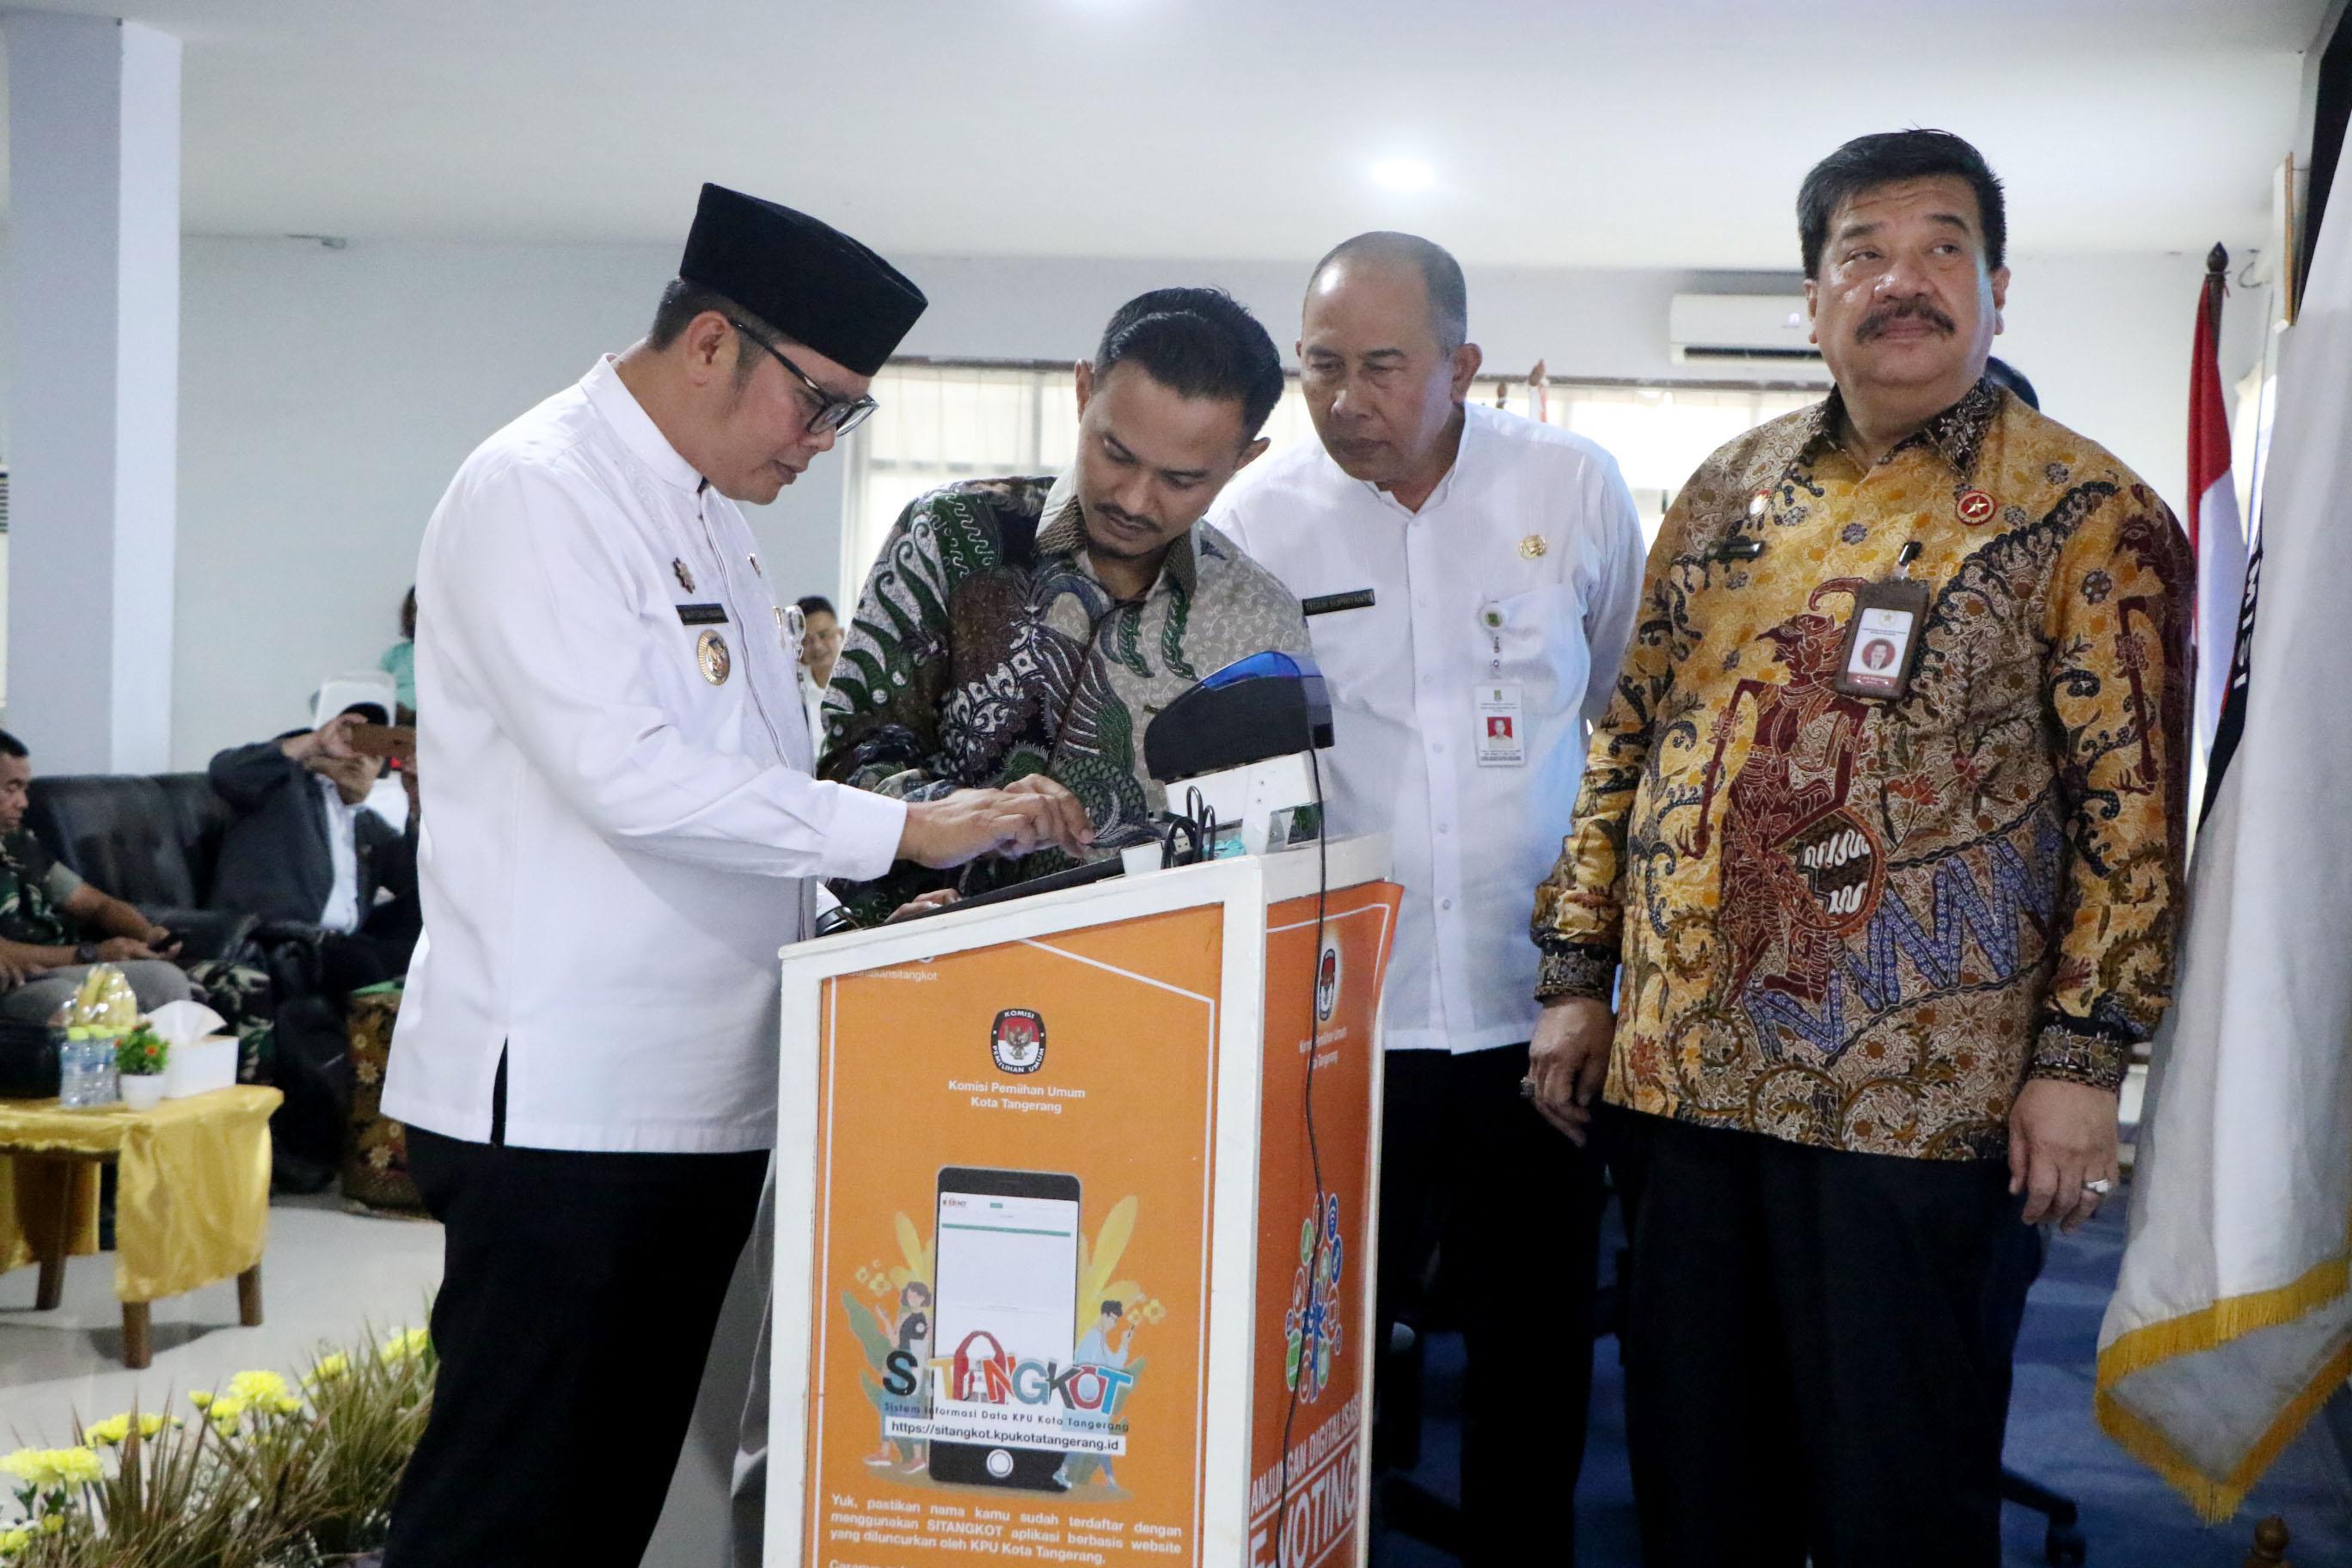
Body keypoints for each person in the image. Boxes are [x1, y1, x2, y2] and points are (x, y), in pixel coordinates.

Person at [377, 184, 1077, 1568]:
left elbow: (758, 779)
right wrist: (905, 832)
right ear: (710, 343)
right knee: (506, 1513)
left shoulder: (706, 511)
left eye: (848, 418)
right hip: (567, 1104)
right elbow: (624, 773)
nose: (820, 443)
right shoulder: (540, 490)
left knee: (603, 1504)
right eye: (816, 404)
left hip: (697, 1093)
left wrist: (888, 908)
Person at [1527, 130, 2190, 1567]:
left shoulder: (2090, 512)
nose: (1905, 281)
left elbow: (2130, 816)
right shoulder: (1728, 490)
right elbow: (1631, 740)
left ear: (1997, 288)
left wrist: (2084, 1065)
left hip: (1924, 1107)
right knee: (1699, 1480)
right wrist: (1576, 975)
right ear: (1813, 299)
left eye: (1944, 247)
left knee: (1900, 1490)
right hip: (1688, 1078)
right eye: (1865, 254)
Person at [1210, 232, 1645, 1565]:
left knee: (1535, 1351)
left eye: (1384, 367)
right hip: (1350, 1019)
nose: (1347, 400)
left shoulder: (1570, 486)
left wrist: (1595, 976)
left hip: (1538, 1012)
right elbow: (1232, 771)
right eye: (1321, 367)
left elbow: (1627, 718)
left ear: (1463, 365)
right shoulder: (1257, 518)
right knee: (1316, 1345)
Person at [819, 286, 1309, 922]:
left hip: (1155, 967)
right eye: (1116, 454)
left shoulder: (1260, 625)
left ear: (1245, 458)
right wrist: (950, 819)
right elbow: (845, 770)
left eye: (1181, 480)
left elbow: (1277, 849)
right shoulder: (949, 537)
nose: (1134, 500)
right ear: (1082, 393)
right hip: (922, 952)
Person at [207, 701, 414, 998]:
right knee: (361, 964)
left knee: (425, 933)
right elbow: (223, 772)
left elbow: (418, 881)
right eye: (351, 744)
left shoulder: (366, 822)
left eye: (373, 753)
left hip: (344, 943)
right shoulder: (282, 790)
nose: (359, 758)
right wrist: (314, 742)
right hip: (280, 938)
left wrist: (418, 799)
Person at [0, 729, 194, 1021]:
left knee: (166, 981)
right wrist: (90, 954)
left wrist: (145, 933)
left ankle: (160, 1053)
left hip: (63, 966)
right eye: (11, 789)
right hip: (18, 979)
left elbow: (96, 904)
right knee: (69, 1002)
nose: (24, 802)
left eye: (24, 789)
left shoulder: (18, 843)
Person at [794, 593, 842, 740]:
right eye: (806, 640)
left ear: (841, 634)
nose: (817, 646)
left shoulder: (866, 678)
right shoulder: (795, 692)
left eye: (823, 635)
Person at [377, 587, 418, 717]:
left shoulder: (455, 657)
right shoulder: (394, 656)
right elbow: (374, 696)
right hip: (394, 723)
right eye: (417, 610)